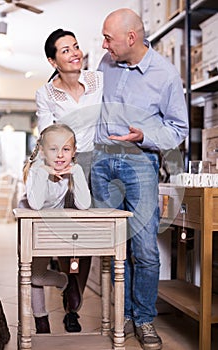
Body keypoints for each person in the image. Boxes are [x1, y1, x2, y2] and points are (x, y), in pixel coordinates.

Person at [91, 8, 189, 350]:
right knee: (114, 247)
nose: (104, 44)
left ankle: (144, 318)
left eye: (108, 37)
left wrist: (143, 135)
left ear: (131, 38)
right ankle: (126, 314)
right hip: (101, 163)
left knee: (144, 247)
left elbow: (179, 128)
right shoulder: (106, 63)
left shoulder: (165, 74)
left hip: (139, 162)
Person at [35, 28, 103, 332]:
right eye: (65, 50)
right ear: (53, 61)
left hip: (93, 162)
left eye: (75, 46)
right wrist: (56, 164)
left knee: (86, 236)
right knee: (65, 234)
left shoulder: (97, 80)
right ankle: (68, 283)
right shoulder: (46, 93)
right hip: (62, 162)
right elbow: (46, 132)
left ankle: (74, 301)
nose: (74, 53)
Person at [19, 124, 91, 333]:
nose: (60, 155)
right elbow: (36, 204)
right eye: (53, 149)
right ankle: (43, 319)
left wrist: (76, 171)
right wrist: (43, 172)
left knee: (35, 276)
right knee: (33, 276)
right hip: (30, 225)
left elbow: (84, 204)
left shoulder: (73, 170)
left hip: (51, 226)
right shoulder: (36, 169)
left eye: (66, 150)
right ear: (42, 150)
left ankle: (64, 284)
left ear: (74, 151)